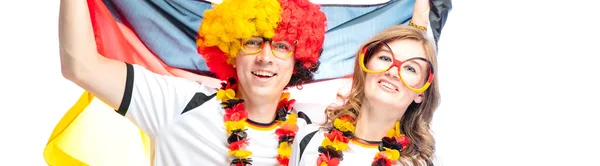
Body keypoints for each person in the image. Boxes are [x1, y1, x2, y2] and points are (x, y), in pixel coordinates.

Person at [58, 0, 326, 165]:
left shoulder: (314, 128)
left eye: (281, 46)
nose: (265, 58)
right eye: (253, 42)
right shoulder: (177, 104)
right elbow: (81, 66)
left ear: (298, 59)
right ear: (232, 51)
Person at [289, 25, 440, 166]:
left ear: (421, 93)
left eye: (410, 68)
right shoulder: (308, 139)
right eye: (385, 58)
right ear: (366, 66)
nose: (393, 72)